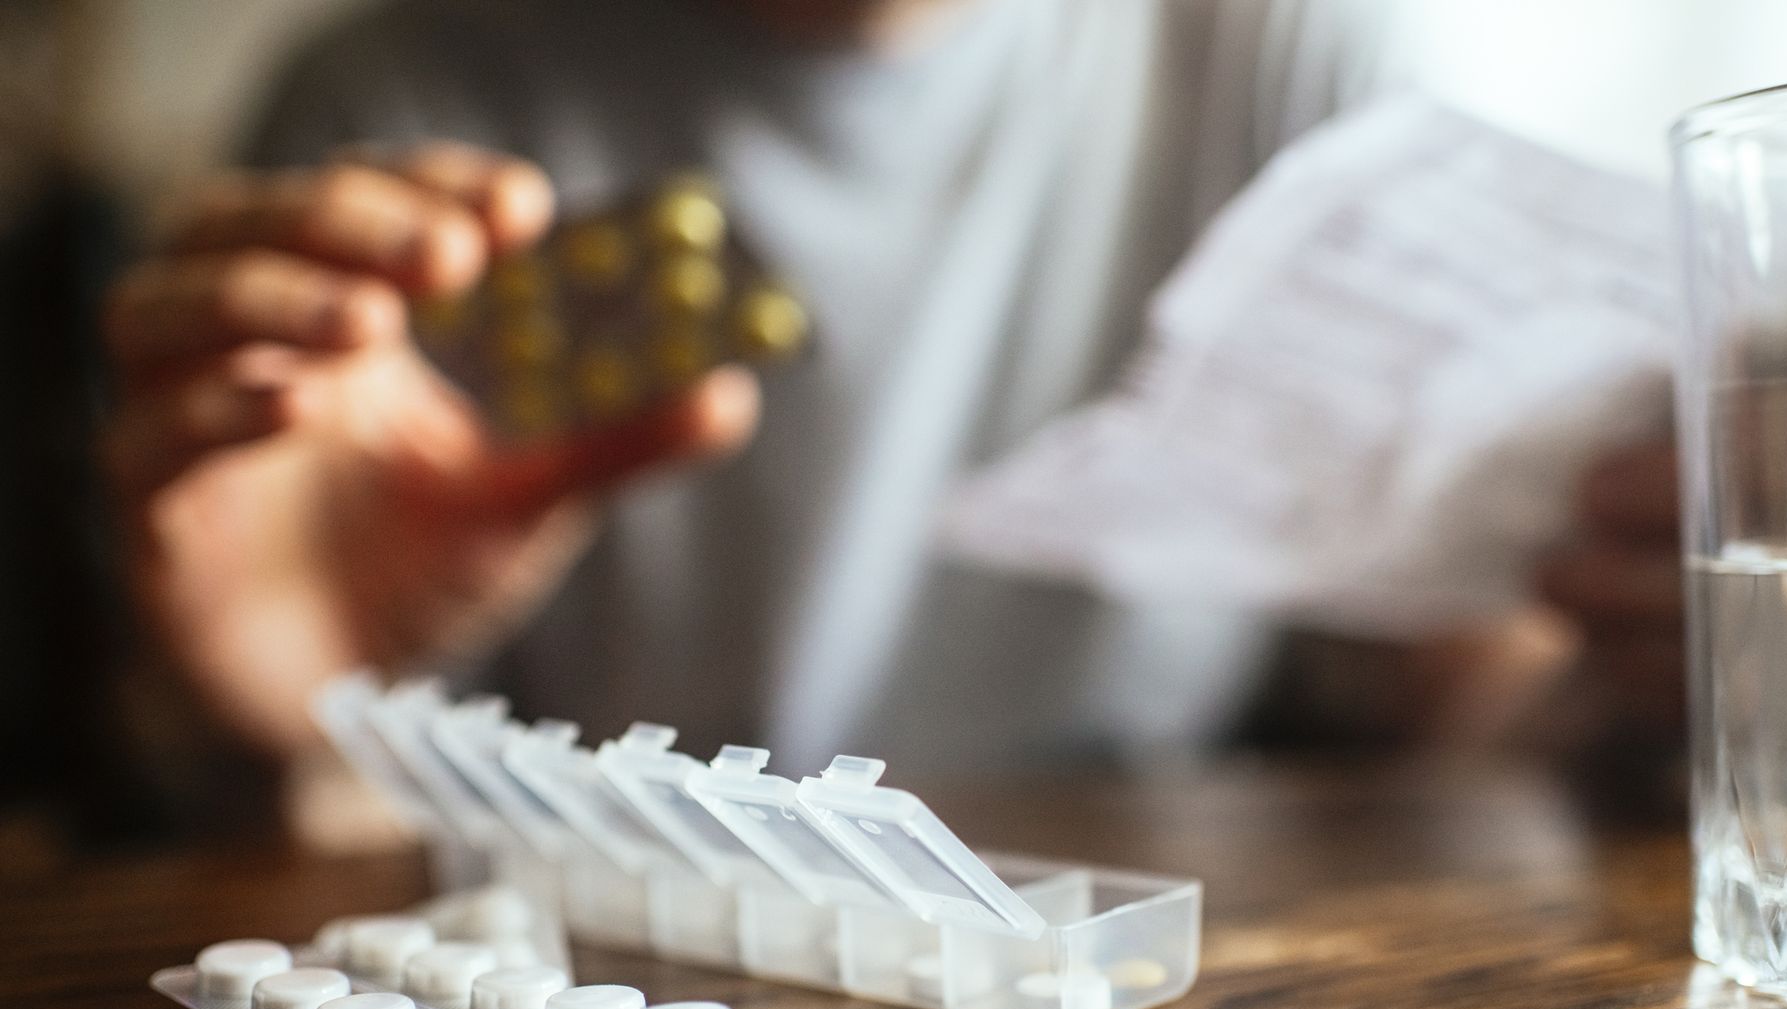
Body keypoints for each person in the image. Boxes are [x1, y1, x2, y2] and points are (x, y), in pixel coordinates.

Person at [102, 0, 1683, 802]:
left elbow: (1476, 704)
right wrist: (296, 740)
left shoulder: (1273, 55)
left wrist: (1708, 654)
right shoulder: (398, 109)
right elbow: (308, 824)